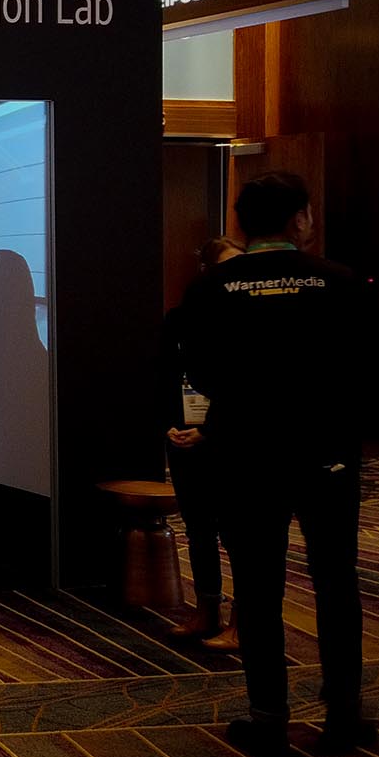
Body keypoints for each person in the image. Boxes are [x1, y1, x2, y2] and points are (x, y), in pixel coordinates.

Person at [177, 173, 375, 757]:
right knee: (337, 582)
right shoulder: (340, 282)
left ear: (240, 223)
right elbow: (369, 370)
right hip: (326, 456)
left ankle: (268, 718)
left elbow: (201, 375)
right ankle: (343, 716)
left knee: (258, 590)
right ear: (299, 220)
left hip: (244, 457)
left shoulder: (212, 287)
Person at [163, 236, 244, 650]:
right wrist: (169, 426)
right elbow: (162, 375)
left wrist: (211, 430)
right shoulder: (180, 319)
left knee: (241, 534)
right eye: (226, 268)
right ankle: (206, 611)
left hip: (234, 443)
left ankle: (242, 623)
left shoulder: (253, 322)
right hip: (186, 438)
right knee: (199, 530)